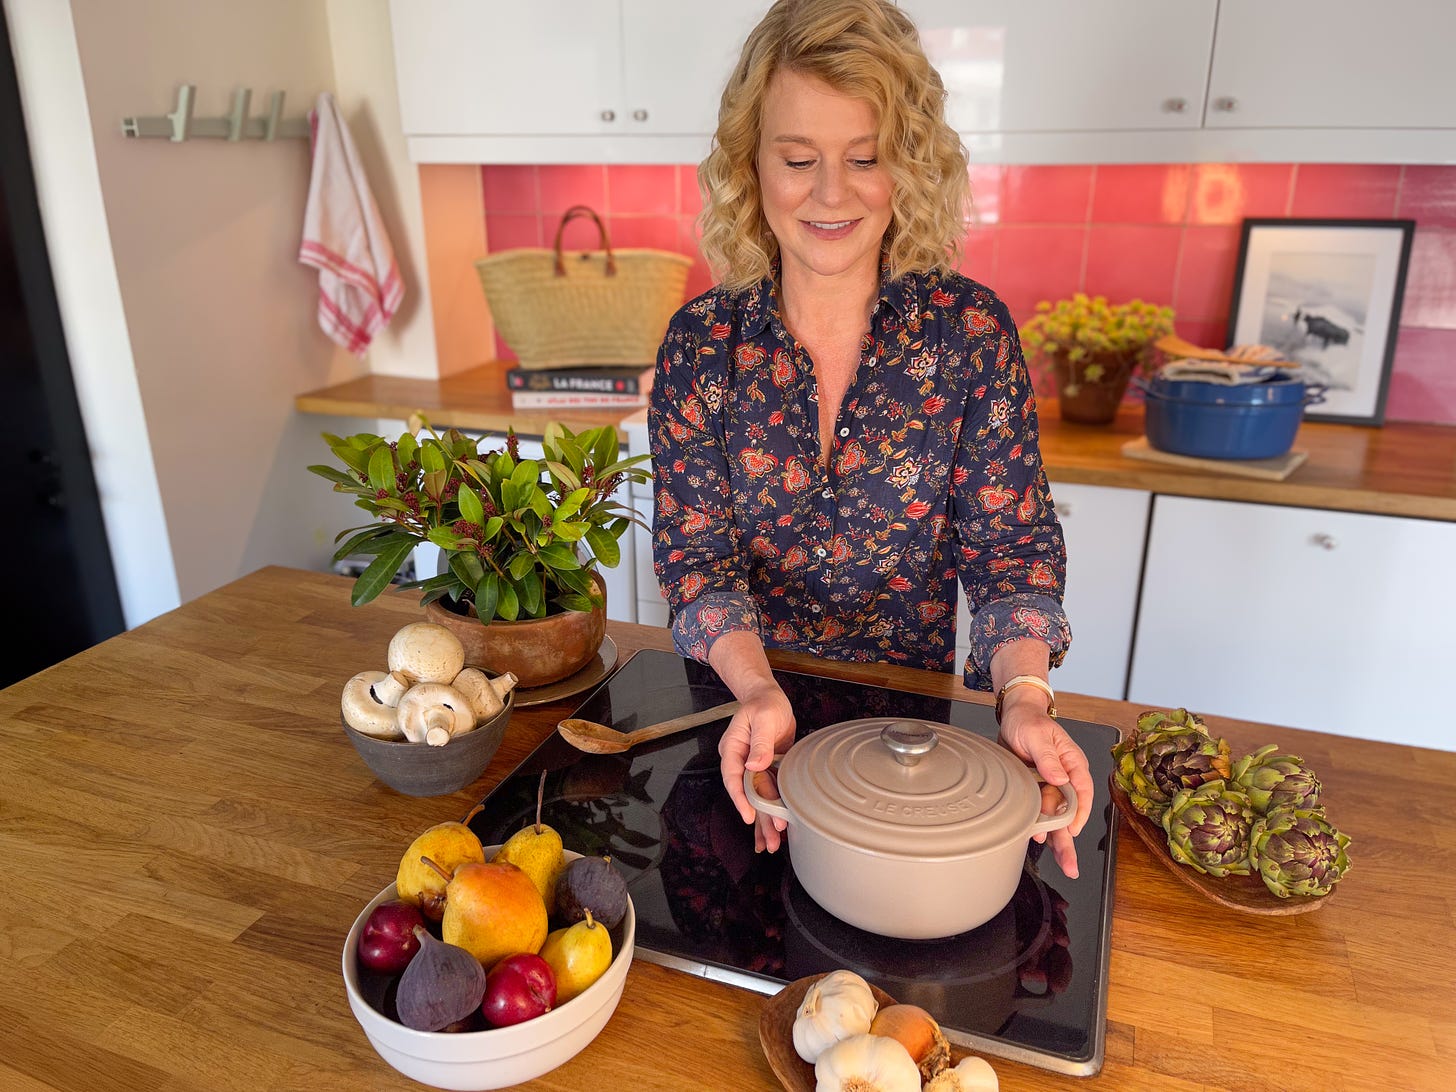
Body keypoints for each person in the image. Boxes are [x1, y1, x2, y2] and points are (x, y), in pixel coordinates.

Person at [648, 0, 1093, 877]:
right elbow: (697, 561)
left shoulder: (969, 334)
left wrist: (1026, 698)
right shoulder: (702, 344)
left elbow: (1012, 554)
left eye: (865, 157)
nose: (829, 194)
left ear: (909, 166)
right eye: (798, 158)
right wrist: (758, 688)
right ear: (750, 163)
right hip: (743, 729)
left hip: (914, 755)